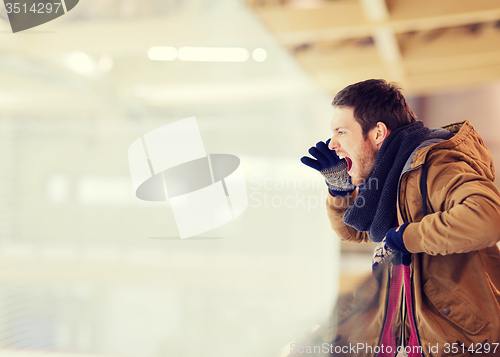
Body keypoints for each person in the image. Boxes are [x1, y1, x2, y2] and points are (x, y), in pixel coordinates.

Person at [301, 79, 500, 357]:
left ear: (378, 133)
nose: (332, 143)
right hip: (429, 340)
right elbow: (354, 231)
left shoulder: (438, 165)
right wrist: (341, 188)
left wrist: (406, 238)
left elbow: (487, 218)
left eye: (341, 131)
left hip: (469, 342)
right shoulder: (393, 174)